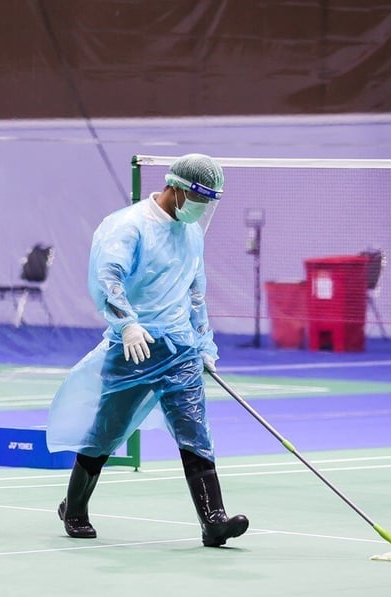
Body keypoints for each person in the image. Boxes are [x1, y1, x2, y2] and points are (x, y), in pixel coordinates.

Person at [46, 153, 248, 547]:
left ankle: (213, 520)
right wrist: (127, 324)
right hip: (134, 350)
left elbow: (194, 293)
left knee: (195, 431)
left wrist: (204, 343)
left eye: (208, 202)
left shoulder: (191, 233)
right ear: (175, 188)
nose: (201, 209)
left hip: (180, 350)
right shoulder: (128, 226)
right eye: (198, 199)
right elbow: (108, 278)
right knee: (108, 432)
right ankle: (74, 507)